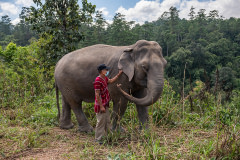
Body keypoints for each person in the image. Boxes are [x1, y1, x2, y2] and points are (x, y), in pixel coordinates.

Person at [94, 64, 123, 144]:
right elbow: (97, 94)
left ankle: (108, 137)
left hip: (105, 104)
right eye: (106, 70)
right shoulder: (98, 80)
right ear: (101, 71)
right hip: (101, 105)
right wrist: (101, 106)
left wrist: (119, 74)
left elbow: (111, 81)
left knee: (107, 121)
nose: (107, 71)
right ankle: (98, 139)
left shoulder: (105, 78)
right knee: (100, 122)